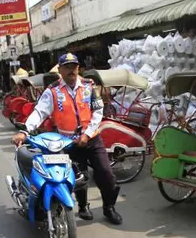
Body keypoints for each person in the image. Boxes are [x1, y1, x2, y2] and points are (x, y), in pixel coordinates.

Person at [12, 53, 123, 225]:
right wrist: (25, 131)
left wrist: (87, 134)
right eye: (67, 67)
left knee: (106, 174)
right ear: (60, 69)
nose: (71, 70)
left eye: (74, 66)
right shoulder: (53, 90)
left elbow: (98, 112)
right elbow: (40, 112)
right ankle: (83, 206)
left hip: (92, 139)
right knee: (78, 177)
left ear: (79, 68)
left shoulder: (90, 86)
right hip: (67, 142)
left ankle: (109, 207)